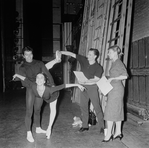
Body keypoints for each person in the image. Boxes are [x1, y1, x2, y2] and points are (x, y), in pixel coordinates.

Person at [13, 73, 85, 139]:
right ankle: (37, 129)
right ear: (35, 80)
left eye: (42, 78)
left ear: (44, 81)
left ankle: (49, 128)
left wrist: (77, 85)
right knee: (36, 109)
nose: (39, 79)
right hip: (42, 95)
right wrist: (17, 75)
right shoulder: (33, 85)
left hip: (53, 96)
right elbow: (26, 79)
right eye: (38, 77)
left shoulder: (50, 89)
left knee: (53, 110)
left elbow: (64, 85)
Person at [18, 46, 61, 142]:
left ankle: (38, 128)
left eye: (30, 54)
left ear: (32, 54)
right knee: (29, 111)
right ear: (23, 56)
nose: (29, 56)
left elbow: (48, 74)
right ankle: (28, 133)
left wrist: (53, 84)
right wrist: (36, 84)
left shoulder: (39, 63)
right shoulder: (22, 68)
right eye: (26, 55)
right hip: (30, 88)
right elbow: (24, 83)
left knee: (37, 109)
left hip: (40, 88)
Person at [59, 48, 104, 133]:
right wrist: (61, 52)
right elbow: (72, 54)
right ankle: (85, 126)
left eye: (90, 55)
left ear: (95, 56)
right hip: (83, 87)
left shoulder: (98, 67)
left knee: (97, 106)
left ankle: (102, 126)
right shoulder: (84, 60)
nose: (88, 56)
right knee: (83, 107)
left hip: (92, 88)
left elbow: (96, 79)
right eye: (88, 54)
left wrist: (86, 81)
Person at [102, 45, 128, 142]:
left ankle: (109, 134)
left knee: (110, 111)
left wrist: (112, 78)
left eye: (110, 52)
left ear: (115, 53)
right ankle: (118, 132)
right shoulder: (114, 63)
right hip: (113, 89)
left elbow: (125, 76)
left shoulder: (118, 63)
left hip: (117, 90)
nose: (108, 54)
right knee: (117, 110)